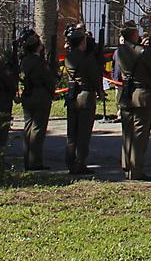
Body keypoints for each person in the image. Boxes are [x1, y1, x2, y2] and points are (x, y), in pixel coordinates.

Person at [115, 20, 151, 181]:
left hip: (127, 93)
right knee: (139, 134)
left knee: (127, 132)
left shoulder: (120, 51)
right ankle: (136, 169)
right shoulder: (143, 52)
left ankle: (126, 164)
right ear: (134, 34)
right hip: (142, 93)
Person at [63, 24, 104, 174]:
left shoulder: (68, 57)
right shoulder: (86, 59)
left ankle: (70, 160)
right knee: (83, 132)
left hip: (72, 95)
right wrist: (100, 91)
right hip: (85, 95)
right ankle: (80, 162)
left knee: (71, 132)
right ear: (82, 42)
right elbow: (94, 76)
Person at [18, 29, 56, 170]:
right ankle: (35, 161)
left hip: (28, 95)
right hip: (40, 95)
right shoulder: (39, 63)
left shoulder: (25, 61)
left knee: (28, 128)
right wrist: (52, 91)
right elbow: (48, 80)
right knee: (38, 129)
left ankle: (27, 159)